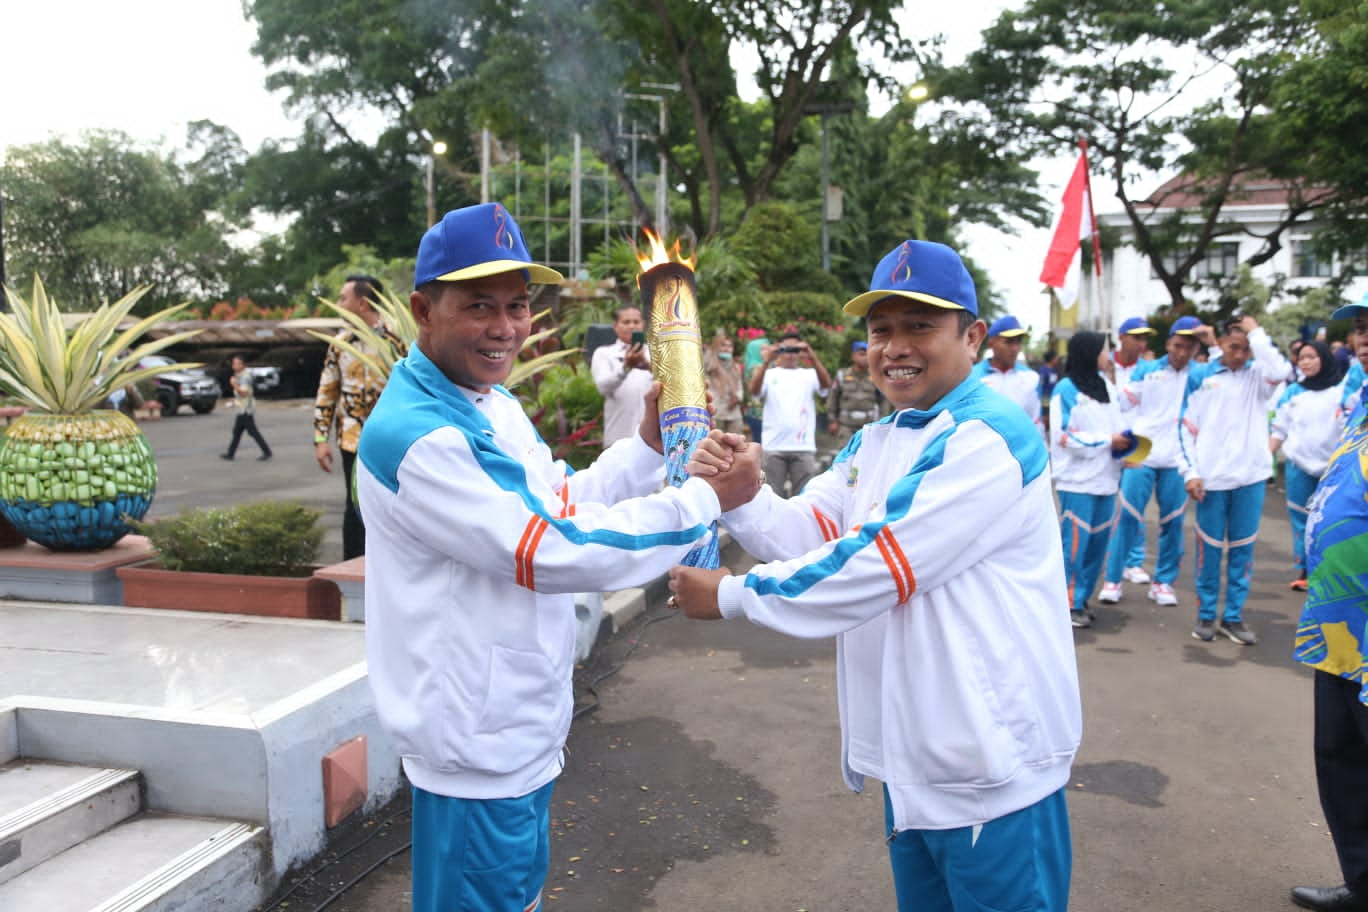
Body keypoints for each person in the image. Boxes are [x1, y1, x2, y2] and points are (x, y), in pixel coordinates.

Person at [355, 201, 761, 912]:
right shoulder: (421, 436)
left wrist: (641, 447)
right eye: (479, 305)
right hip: (475, 744)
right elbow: (549, 551)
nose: (506, 327)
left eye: (516, 306)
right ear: (424, 309)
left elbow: (561, 503)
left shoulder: (488, 404)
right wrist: (702, 501)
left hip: (513, 727)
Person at [670, 239, 1081, 912]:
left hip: (991, 764)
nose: (895, 346)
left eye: (920, 325)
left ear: (972, 336)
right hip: (915, 758)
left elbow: (873, 565)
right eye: (881, 329)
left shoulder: (986, 436)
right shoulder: (878, 440)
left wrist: (736, 595)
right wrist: (740, 494)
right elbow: (811, 531)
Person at [1288, 300, 1368, 912]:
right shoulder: (1362, 406)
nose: (1362, 339)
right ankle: (1363, 883)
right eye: (1361, 329)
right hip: (1339, 619)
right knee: (1341, 757)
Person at [1177, 315, 1290, 644]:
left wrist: (1257, 333)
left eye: (1246, 349)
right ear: (1222, 344)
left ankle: (1233, 617)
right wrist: (1192, 472)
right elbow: (1185, 427)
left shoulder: (1260, 377)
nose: (1240, 355)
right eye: (1234, 347)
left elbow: (1282, 370)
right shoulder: (1201, 376)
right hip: (1211, 480)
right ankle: (1207, 614)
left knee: (1242, 551)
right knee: (1209, 551)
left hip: (1251, 478)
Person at [1098, 316, 1204, 607]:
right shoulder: (1148, 371)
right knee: (1129, 517)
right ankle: (1113, 579)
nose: (1183, 352)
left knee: (1173, 521)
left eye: (1190, 346)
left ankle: (1163, 583)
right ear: (1169, 343)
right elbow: (1120, 403)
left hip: (1177, 456)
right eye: (1178, 345)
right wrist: (1108, 381)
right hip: (1142, 451)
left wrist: (1211, 339)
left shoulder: (1203, 375)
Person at [313, 274, 405, 560]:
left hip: (393, 439)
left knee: (393, 506)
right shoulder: (340, 343)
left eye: (344, 298)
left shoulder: (398, 340)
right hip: (352, 439)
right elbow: (327, 390)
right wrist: (320, 438)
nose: (339, 304)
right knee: (354, 506)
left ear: (362, 303)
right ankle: (352, 568)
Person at [1049, 331, 1130, 628]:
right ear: (1088, 352)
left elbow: (1119, 425)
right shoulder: (1065, 390)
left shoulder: (1108, 387)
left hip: (1107, 480)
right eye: (1104, 350)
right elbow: (1063, 436)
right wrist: (1107, 440)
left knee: (1097, 546)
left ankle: (1082, 599)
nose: (1108, 355)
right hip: (1077, 482)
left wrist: (1127, 447)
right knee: (1075, 546)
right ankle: (1066, 603)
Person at [1270, 341, 1345, 591]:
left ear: (1324, 359)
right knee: (1301, 520)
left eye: (1312, 357)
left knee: (1328, 520)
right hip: (1299, 466)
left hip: (1333, 469)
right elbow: (1279, 429)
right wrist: (1263, 460)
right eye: (1301, 358)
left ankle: (1328, 571)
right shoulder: (1293, 392)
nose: (1306, 362)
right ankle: (1305, 570)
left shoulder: (1341, 391)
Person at [747, 329, 832, 497]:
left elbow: (826, 386)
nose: (791, 354)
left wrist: (812, 357)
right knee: (772, 496)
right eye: (787, 349)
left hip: (803, 447)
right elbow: (754, 391)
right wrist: (766, 361)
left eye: (796, 350)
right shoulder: (770, 374)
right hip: (774, 447)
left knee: (804, 498)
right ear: (779, 350)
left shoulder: (809, 374)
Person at [590, 305, 653, 446]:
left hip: (652, 439)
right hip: (618, 436)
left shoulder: (655, 353)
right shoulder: (604, 353)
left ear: (643, 324)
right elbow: (603, 387)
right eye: (626, 322)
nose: (632, 326)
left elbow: (670, 383)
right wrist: (626, 368)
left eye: (636, 322)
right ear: (615, 326)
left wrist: (648, 366)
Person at [971, 314, 1042, 431]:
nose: (1015, 348)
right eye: (1009, 342)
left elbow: (1035, 422)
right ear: (991, 343)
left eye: (1018, 342)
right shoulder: (972, 377)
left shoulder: (1031, 378)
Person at [825, 340, 884, 451]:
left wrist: (882, 422)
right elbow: (832, 398)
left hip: (869, 425)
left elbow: (883, 401)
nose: (864, 357)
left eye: (866, 354)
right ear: (853, 356)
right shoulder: (842, 375)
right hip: (846, 425)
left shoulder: (876, 376)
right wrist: (832, 420)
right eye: (861, 354)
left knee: (868, 457)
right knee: (846, 458)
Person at [220, 356, 272, 462]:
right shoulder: (238, 375)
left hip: (246, 409)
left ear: (243, 365)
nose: (235, 366)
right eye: (234, 364)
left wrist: (234, 385)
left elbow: (244, 393)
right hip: (241, 408)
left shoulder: (245, 377)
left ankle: (267, 451)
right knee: (237, 432)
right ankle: (230, 453)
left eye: (238, 364)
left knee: (252, 432)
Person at [702, 329, 744, 435]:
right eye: (723, 346)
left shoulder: (735, 366)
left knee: (735, 441)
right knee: (716, 442)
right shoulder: (711, 365)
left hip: (734, 412)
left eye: (729, 346)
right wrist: (717, 339)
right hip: (717, 412)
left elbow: (740, 387)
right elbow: (707, 356)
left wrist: (738, 398)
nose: (727, 349)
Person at [741, 330, 770, 440]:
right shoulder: (756, 367)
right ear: (754, 351)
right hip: (759, 413)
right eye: (762, 349)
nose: (767, 351)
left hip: (756, 413)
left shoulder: (756, 365)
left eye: (768, 348)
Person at [1112, 316, 1157, 388]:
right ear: (1121, 337)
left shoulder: (1148, 367)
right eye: (1137, 337)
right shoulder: (1103, 362)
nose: (1142, 344)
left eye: (1145, 339)